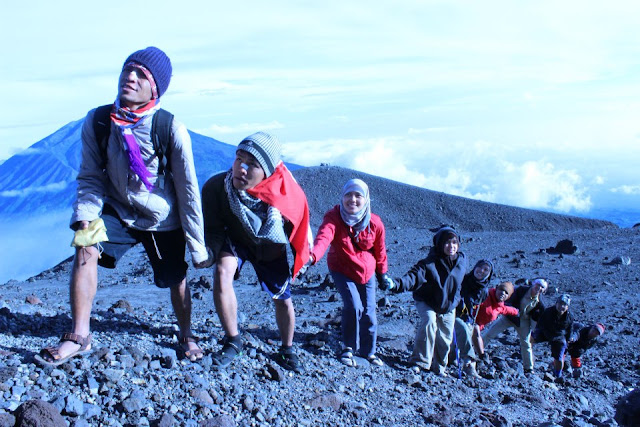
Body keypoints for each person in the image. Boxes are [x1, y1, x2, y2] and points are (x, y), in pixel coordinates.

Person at [36, 47, 211, 366]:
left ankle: (186, 334)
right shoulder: (99, 121)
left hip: (161, 218)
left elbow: (187, 190)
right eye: (127, 70)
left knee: (175, 276)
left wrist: (197, 245)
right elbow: (90, 175)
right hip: (117, 209)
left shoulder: (169, 128)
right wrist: (86, 216)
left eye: (141, 74)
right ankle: (79, 335)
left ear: (155, 88)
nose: (130, 76)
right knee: (85, 247)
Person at [201, 132, 311, 373]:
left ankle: (287, 349)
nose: (242, 168)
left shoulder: (285, 196)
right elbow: (214, 227)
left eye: (252, 164)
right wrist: (211, 251)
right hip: (237, 239)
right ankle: (233, 340)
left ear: (267, 172)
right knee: (222, 273)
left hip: (270, 248)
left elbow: (300, 226)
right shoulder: (217, 187)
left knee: (282, 298)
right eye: (239, 159)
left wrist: (304, 256)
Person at [309, 178, 394, 367]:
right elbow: (324, 237)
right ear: (342, 197)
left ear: (366, 199)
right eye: (348, 194)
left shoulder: (375, 223)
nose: (353, 199)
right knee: (354, 306)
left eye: (358, 195)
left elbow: (380, 251)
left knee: (369, 312)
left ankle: (368, 352)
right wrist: (313, 256)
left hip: (367, 271)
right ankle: (348, 347)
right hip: (342, 267)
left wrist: (383, 274)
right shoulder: (334, 217)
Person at [393, 226, 468, 377]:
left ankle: (439, 367)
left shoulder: (462, 261)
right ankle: (419, 362)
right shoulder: (429, 262)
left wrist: (460, 300)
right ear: (439, 244)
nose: (451, 246)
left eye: (454, 242)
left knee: (445, 336)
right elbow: (413, 276)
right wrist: (397, 284)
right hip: (427, 301)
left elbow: (464, 283)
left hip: (449, 304)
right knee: (429, 322)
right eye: (447, 243)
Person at [481, 278, 548, 374]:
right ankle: (476, 350)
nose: (539, 288)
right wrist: (507, 309)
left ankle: (528, 368)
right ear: (533, 284)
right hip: (509, 316)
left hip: (523, 321)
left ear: (544, 290)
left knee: (526, 343)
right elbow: (509, 297)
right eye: (538, 285)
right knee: (490, 333)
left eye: (542, 287)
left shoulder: (540, 302)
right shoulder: (521, 289)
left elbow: (541, 316)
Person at [451, 259, 493, 378]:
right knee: (463, 329)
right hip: (452, 312)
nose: (481, 271)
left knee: (469, 330)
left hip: (466, 316)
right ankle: (469, 363)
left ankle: (454, 358)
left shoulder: (483, 290)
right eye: (480, 267)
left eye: (486, 270)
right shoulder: (462, 279)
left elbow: (475, 307)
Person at [472, 281, 519, 361]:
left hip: (478, 327)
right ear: (496, 288)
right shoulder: (485, 296)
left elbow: (506, 310)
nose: (503, 293)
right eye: (501, 290)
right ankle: (481, 355)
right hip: (469, 322)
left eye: (506, 293)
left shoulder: (499, 306)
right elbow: (472, 303)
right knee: (475, 334)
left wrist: (517, 312)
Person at [531, 294, 574, 378]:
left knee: (559, 356)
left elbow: (570, 329)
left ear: (567, 307)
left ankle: (558, 374)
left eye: (564, 305)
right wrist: (540, 333)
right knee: (531, 339)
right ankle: (527, 360)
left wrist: (568, 339)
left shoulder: (569, 317)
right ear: (556, 303)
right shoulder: (548, 311)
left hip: (558, 336)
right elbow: (540, 324)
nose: (561, 306)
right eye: (560, 303)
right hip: (545, 332)